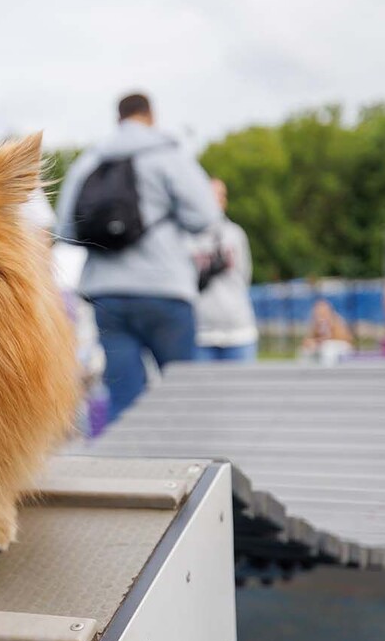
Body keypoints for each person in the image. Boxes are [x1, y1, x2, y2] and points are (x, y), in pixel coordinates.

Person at [56, 92, 220, 423]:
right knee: (184, 394)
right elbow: (206, 216)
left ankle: (128, 469)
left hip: (107, 294)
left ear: (118, 118)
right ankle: (190, 467)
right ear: (151, 115)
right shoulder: (168, 154)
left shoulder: (90, 160)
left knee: (124, 399)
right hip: (166, 289)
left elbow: (65, 229)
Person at [191, 179, 258, 361]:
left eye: (221, 195)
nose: (216, 200)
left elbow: (245, 276)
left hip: (238, 332)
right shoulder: (188, 236)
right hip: (201, 334)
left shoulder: (236, 234)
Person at [299, 299, 354, 365]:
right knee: (306, 349)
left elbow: (342, 337)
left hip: (340, 346)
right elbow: (310, 337)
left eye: (322, 309)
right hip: (323, 345)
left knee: (327, 348)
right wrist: (310, 342)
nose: (319, 312)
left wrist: (318, 342)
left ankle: (328, 371)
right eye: (317, 310)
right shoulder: (316, 322)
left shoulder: (336, 320)